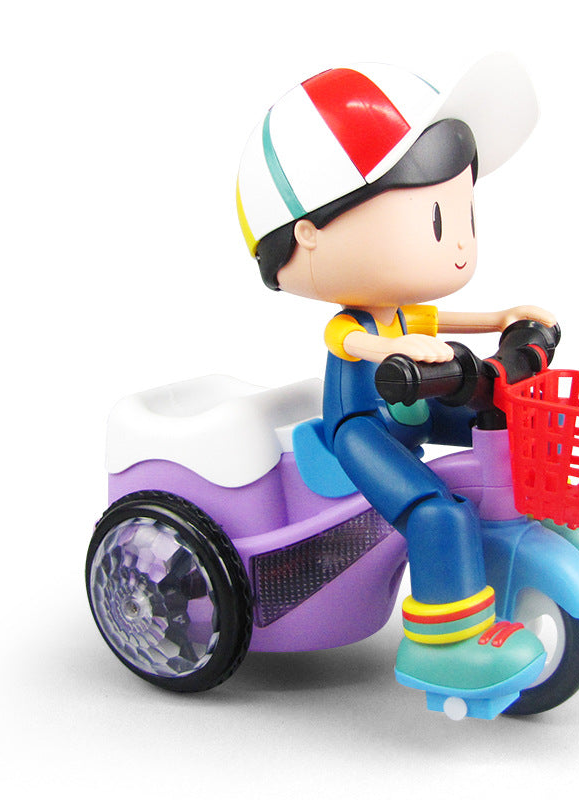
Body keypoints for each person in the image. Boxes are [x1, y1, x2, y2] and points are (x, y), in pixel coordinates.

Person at [236, 55, 562, 709]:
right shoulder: (355, 324)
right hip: (361, 430)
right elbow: (359, 346)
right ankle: (443, 646)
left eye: (464, 218)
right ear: (308, 234)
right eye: (435, 221)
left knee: (507, 414)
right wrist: (397, 349)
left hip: (414, 404)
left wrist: (503, 318)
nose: (459, 244)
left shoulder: (412, 312)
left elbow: (450, 320)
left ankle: (544, 518)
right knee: (437, 510)